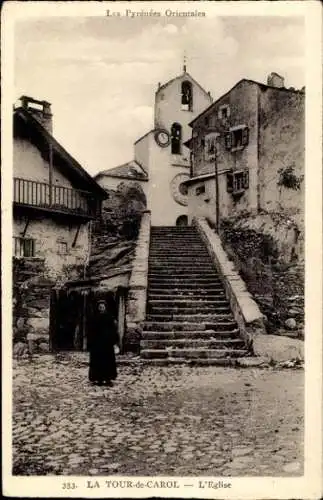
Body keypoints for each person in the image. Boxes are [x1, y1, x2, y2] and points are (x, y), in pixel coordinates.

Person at [88, 299, 119, 386]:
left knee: (108, 361)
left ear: (105, 307)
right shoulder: (94, 318)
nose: (101, 308)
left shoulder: (110, 317)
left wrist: (114, 341)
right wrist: (91, 342)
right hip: (97, 344)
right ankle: (99, 379)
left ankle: (108, 379)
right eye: (100, 307)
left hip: (107, 343)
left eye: (103, 307)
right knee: (98, 361)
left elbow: (114, 330)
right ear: (98, 308)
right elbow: (91, 331)